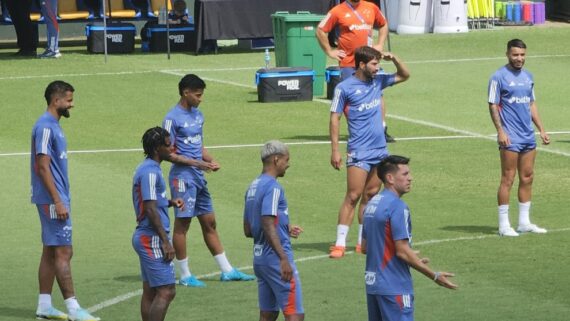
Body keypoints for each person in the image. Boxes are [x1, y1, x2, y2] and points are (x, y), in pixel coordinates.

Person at [162, 74, 255, 287]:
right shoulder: (172, 118)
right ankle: (184, 275)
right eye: (197, 95)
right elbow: (168, 154)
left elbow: (198, 145)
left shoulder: (198, 115)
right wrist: (197, 164)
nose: (200, 99)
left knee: (209, 222)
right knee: (183, 225)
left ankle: (227, 270)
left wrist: (210, 160)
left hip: (199, 176)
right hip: (183, 178)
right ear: (185, 92)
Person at [328, 46, 409, 259]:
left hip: (380, 151)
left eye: (378, 64)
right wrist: (335, 150)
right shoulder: (344, 88)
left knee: (370, 195)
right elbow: (334, 117)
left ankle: (362, 243)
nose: (377, 68)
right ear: (362, 64)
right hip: (358, 150)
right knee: (353, 195)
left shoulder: (379, 80)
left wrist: (395, 58)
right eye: (374, 64)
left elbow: (404, 75)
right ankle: (339, 243)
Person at [30, 81, 99, 321]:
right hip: (52, 199)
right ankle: (73, 308)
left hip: (55, 197)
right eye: (68, 100)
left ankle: (44, 305)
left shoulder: (53, 126)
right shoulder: (45, 127)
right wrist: (58, 201)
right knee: (64, 251)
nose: (72, 104)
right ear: (55, 100)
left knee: (50, 250)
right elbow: (42, 166)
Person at [362, 155, 457, 321]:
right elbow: (402, 252)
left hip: (373, 287)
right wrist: (434, 275)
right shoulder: (397, 207)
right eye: (405, 174)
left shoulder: (372, 204)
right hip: (395, 287)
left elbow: (365, 247)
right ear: (390, 178)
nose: (410, 178)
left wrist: (409, 254)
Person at [488, 39, 550, 237]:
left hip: (527, 136)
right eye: (515, 55)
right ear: (507, 54)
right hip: (510, 137)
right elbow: (493, 105)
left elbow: (531, 104)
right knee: (508, 178)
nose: (519, 58)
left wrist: (541, 128)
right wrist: (501, 131)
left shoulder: (528, 77)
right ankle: (504, 225)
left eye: (522, 55)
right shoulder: (498, 77)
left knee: (528, 177)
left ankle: (524, 222)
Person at [317, 0, 395, 142]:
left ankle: (382, 129)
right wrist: (329, 51)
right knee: (351, 97)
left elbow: (383, 24)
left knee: (377, 94)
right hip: (348, 62)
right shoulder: (337, 11)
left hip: (369, 60)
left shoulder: (371, 7)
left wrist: (380, 44)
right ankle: (358, 130)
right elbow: (320, 30)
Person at [243, 140, 305, 321]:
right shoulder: (273, 187)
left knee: (268, 314)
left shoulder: (252, 187)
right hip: (277, 260)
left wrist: (284, 228)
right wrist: (283, 259)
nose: (288, 164)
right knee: (295, 314)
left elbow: (248, 229)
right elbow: (267, 222)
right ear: (276, 160)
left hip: (260, 261)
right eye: (286, 159)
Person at [132, 127, 183, 321]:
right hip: (151, 237)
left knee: (151, 291)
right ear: (156, 148)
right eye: (168, 145)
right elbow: (150, 208)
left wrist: (169, 202)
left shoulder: (147, 168)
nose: (172, 148)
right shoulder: (150, 173)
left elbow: (151, 201)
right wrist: (165, 241)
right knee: (167, 291)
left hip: (146, 235)